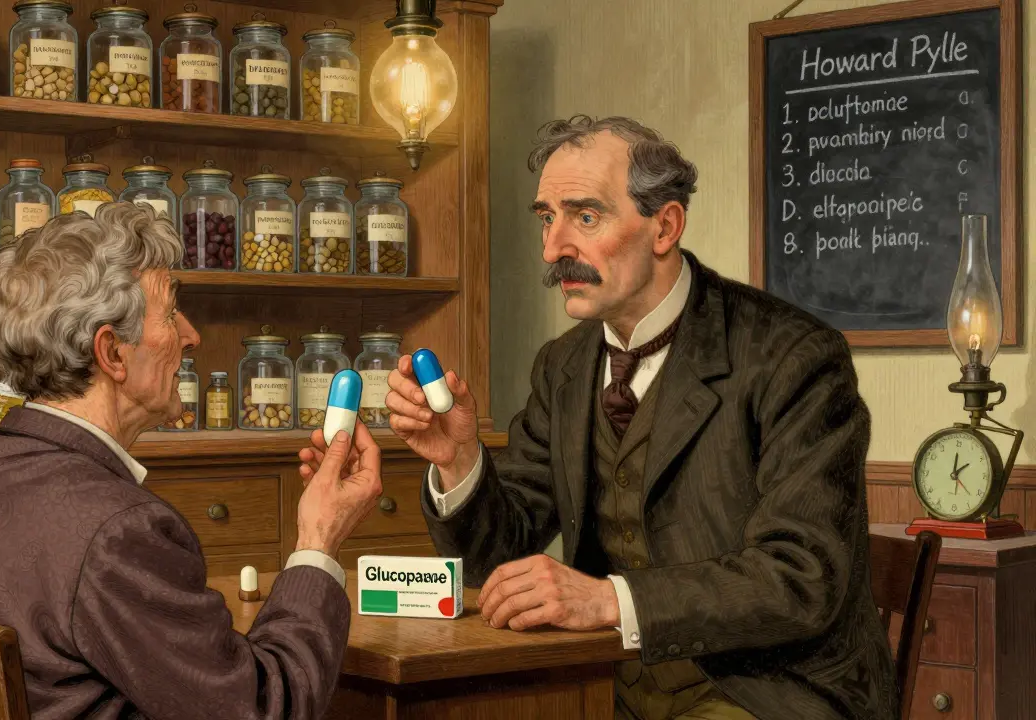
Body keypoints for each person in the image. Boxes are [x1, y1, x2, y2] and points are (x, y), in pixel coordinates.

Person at [384, 116, 897, 720]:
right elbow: (494, 555)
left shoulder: (794, 357)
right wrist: (461, 460)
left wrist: (608, 602)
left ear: (665, 226)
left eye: (586, 216)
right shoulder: (563, 366)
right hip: (601, 683)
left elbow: (801, 576)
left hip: (766, 691)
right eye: (547, 218)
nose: (553, 249)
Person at [0, 202, 383, 720]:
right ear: (113, 354)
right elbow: (266, 709)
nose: (191, 335)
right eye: (170, 314)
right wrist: (318, 542)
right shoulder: (119, 534)